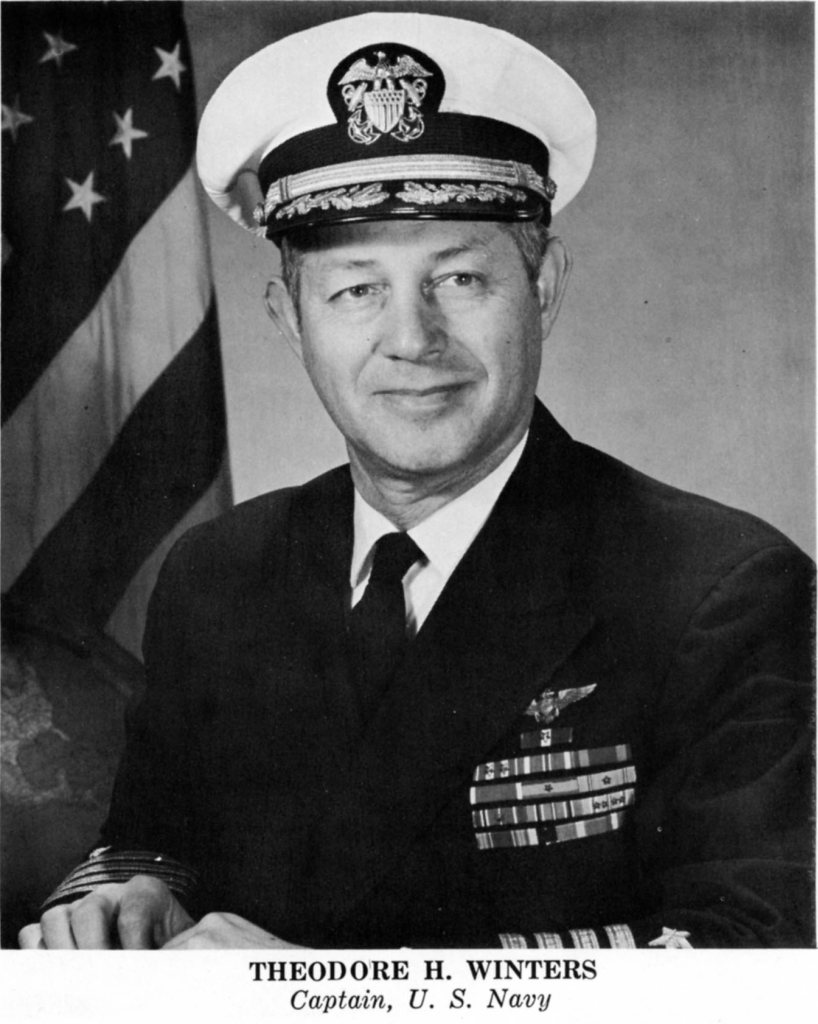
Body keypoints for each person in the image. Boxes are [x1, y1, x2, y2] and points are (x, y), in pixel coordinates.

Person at [20, 11, 813, 951]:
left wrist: (315, 997)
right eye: (356, 289)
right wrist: (134, 894)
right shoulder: (218, 575)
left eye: (460, 280)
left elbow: (759, 954)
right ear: (291, 320)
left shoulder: (721, 591)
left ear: (543, 289)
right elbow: (155, 838)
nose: (411, 339)